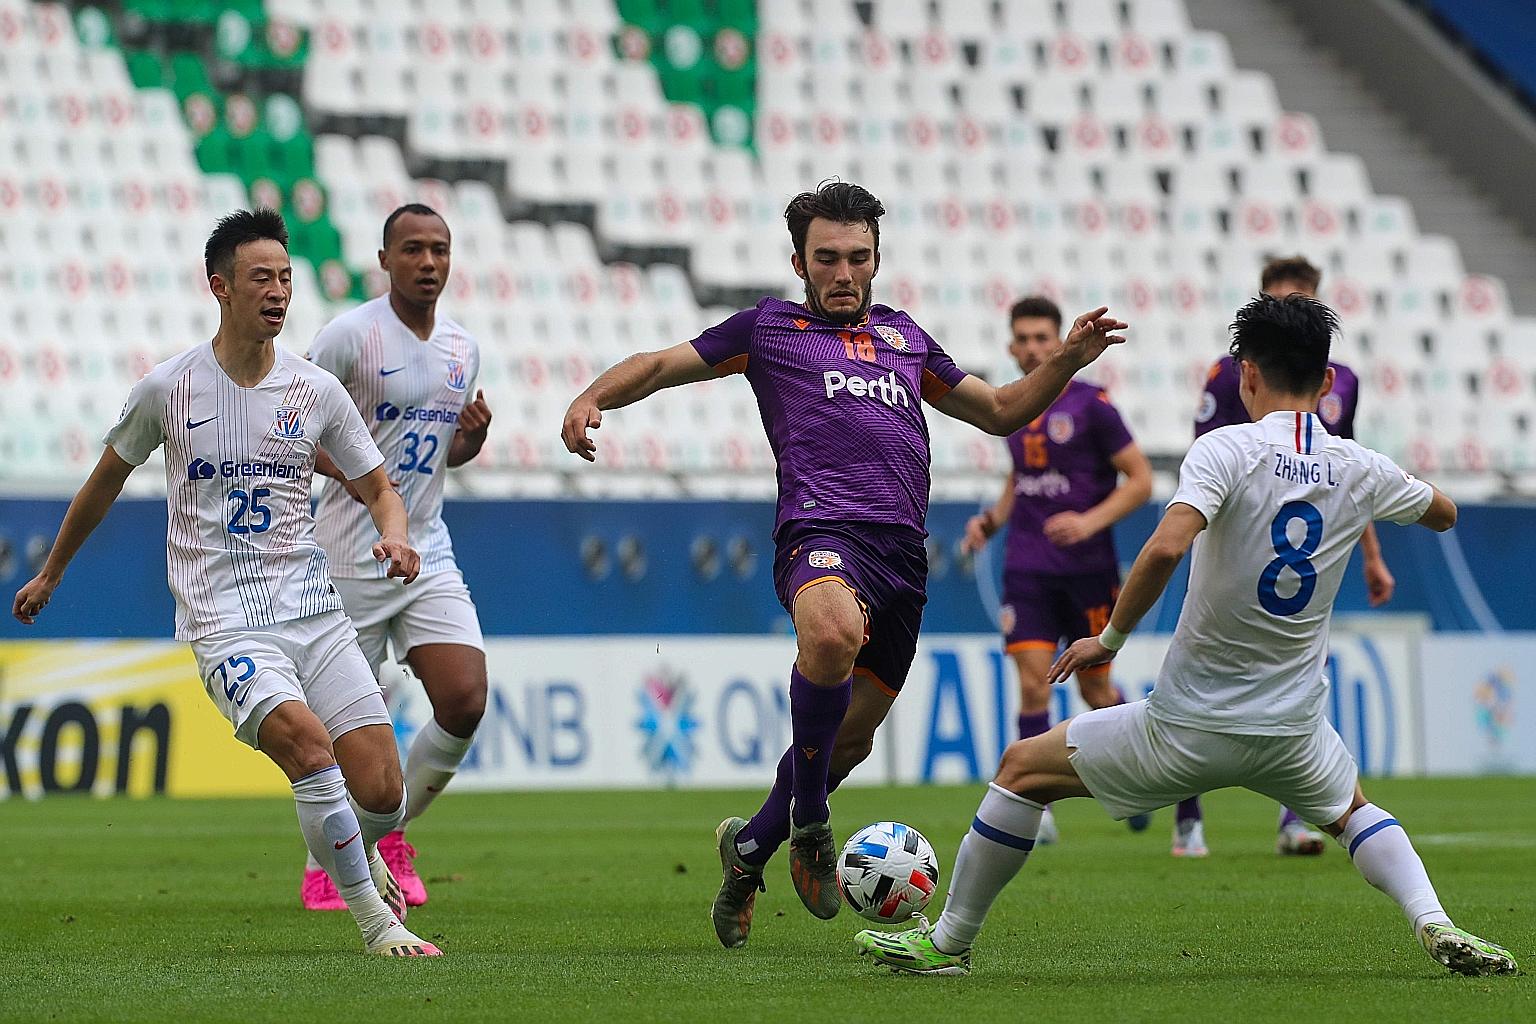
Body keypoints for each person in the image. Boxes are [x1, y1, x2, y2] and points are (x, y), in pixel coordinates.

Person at [854, 294, 1515, 979]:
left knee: (1021, 771)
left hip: (1186, 725)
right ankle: (1433, 920)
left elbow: (1168, 547)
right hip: (1292, 730)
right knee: (1353, 814)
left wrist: (1108, 640)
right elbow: (1444, 512)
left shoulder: (1225, 450)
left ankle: (948, 943)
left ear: (1246, 375)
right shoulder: (1361, 466)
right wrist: (1382, 487)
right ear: (1326, 382)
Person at [560, 181, 1126, 948]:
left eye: (858, 258)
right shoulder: (767, 330)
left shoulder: (906, 339)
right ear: (799, 261)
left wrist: (1065, 361)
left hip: (904, 558)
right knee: (829, 637)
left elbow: (999, 411)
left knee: (844, 745)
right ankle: (814, 826)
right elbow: (664, 363)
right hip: (820, 533)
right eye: (826, 258)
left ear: (877, 260)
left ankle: (749, 849)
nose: (843, 273)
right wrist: (594, 396)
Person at [11, 209, 442, 958]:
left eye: (285, 279)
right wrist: (52, 571)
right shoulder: (168, 389)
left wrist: (395, 534)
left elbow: (380, 487)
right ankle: (377, 923)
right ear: (220, 287)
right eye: (260, 279)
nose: (278, 292)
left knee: (381, 790)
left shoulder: (314, 391)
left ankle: (356, 848)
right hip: (224, 621)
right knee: (310, 752)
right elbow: (104, 482)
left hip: (314, 611)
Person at [302, 203, 492, 911]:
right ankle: (327, 863)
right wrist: (362, 479)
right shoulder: (349, 337)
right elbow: (290, 426)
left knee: (466, 697)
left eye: (440, 249)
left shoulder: (462, 350)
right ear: (384, 259)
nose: (428, 262)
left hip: (428, 546)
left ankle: (390, 834)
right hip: (347, 555)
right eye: (412, 249)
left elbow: (441, 457)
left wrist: (469, 442)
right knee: (349, 730)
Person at [1185, 255, 1390, 857]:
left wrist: (1372, 556)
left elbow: (1351, 474)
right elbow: (1207, 456)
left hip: (1308, 548)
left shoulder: (1341, 380)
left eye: (1303, 293)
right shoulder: (1228, 374)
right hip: (1235, 538)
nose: (1293, 301)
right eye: (1283, 293)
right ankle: (1188, 820)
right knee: (1198, 672)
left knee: (1302, 675)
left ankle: (1296, 818)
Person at [961, 296, 1152, 844]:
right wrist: (993, 523)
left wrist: (1089, 523)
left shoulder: (1093, 405)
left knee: (1097, 694)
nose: (1031, 348)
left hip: (1088, 571)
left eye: (1042, 338)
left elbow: (1139, 480)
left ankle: (1139, 772)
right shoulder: (1014, 406)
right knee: (1033, 684)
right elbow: (1021, 479)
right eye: (1022, 339)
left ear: (1059, 340)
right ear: (1010, 346)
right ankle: (1033, 804)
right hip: (1027, 569)